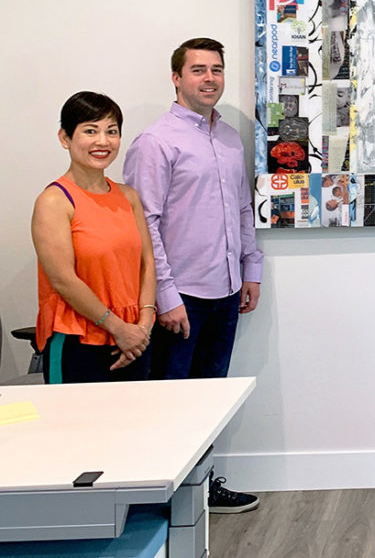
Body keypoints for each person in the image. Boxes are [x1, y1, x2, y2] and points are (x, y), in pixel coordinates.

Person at [124, 38, 264, 515]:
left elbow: (242, 209)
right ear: (177, 78)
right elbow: (145, 227)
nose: (209, 78)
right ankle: (163, 502)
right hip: (180, 296)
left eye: (216, 70)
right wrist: (165, 296)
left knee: (207, 401)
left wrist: (251, 267)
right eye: (198, 69)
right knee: (170, 401)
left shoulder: (228, 139)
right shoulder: (155, 142)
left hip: (226, 290)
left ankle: (200, 492)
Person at [32, 92, 157, 384]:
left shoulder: (129, 196)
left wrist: (143, 326)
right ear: (65, 138)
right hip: (78, 340)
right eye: (90, 131)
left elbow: (147, 263)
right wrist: (118, 329)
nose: (103, 141)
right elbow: (63, 280)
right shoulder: (54, 201)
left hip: (134, 340)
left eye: (111, 131)